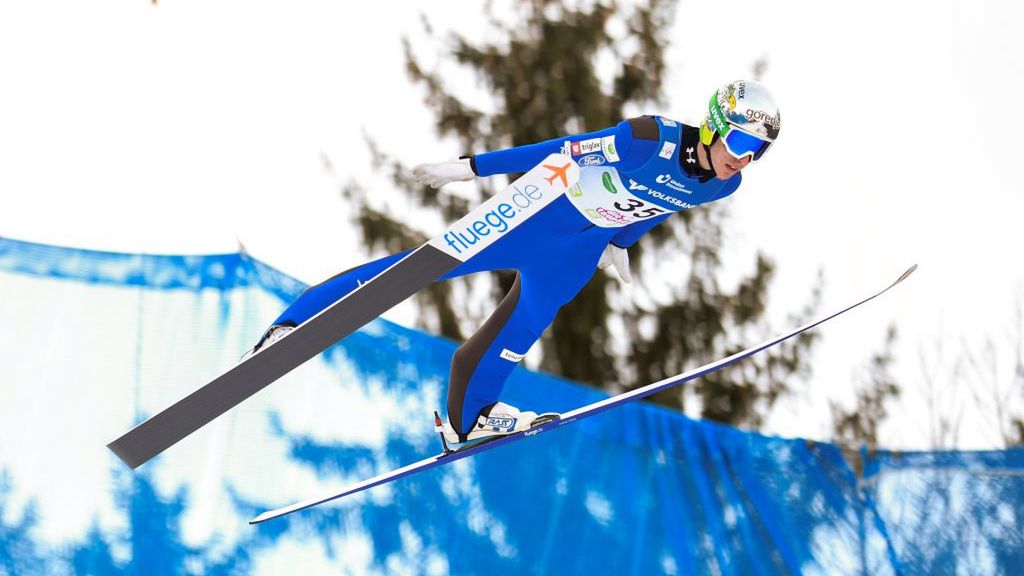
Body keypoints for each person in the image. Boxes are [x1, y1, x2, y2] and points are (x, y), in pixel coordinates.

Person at [251, 79, 781, 444]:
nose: (743, 157)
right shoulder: (647, 139)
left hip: (578, 251)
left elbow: (665, 203)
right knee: (418, 270)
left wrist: (621, 242)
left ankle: (468, 419)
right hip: (536, 218)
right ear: (714, 124)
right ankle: (297, 322)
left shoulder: (724, 184)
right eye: (739, 140)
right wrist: (473, 167)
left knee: (524, 326)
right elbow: (563, 150)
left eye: (758, 151)